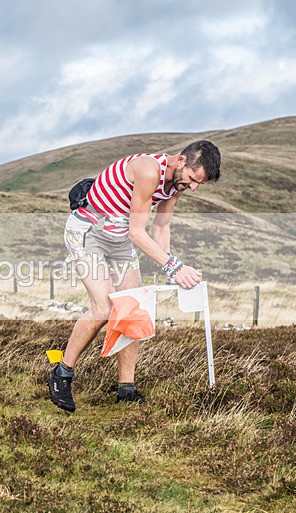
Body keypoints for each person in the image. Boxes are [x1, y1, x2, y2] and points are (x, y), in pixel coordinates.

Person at [48, 140, 221, 412]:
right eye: (192, 179)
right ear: (181, 161)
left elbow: (161, 225)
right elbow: (137, 232)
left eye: (199, 184)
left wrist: (166, 267)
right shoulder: (149, 170)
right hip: (88, 231)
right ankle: (62, 373)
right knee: (103, 308)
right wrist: (174, 266)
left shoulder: (176, 184)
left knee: (133, 307)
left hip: (118, 240)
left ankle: (126, 388)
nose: (194, 187)